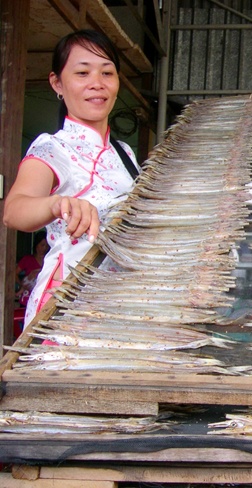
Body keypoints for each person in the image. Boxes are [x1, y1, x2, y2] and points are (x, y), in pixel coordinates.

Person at [3, 29, 139, 326]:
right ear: (57, 83)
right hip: (68, 310)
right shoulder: (53, 147)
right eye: (82, 73)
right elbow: (14, 211)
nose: (97, 83)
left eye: (107, 73)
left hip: (122, 307)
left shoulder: (124, 153)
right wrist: (57, 204)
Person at [15, 231, 50, 306]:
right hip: (27, 299)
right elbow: (14, 273)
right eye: (42, 245)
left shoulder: (49, 260)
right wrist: (21, 285)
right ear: (36, 245)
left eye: (47, 246)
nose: (44, 248)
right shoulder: (27, 259)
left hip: (42, 298)